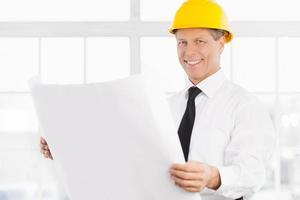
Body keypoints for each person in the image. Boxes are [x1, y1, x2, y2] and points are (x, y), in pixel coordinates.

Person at [40, 0, 276, 199]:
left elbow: (253, 174)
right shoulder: (164, 106)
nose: (189, 52)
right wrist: (66, 145)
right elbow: (125, 153)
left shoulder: (244, 106)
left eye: (200, 41)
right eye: (182, 42)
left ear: (221, 44)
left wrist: (213, 176)